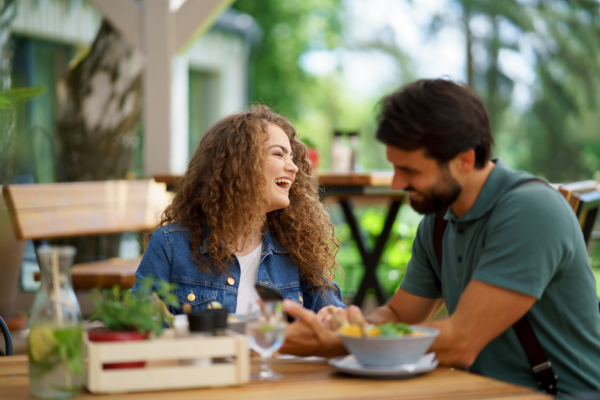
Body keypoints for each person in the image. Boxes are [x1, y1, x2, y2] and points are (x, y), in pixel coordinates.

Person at [281, 78, 600, 394]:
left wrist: (340, 345)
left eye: (411, 171)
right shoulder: (440, 219)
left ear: (465, 159)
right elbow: (399, 314)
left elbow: (461, 342)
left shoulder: (530, 210)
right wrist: (357, 328)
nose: (396, 183)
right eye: (394, 167)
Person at [132, 105, 345, 315]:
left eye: (291, 157)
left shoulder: (296, 248)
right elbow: (140, 325)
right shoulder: (171, 246)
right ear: (239, 164)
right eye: (279, 154)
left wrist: (338, 318)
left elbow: (334, 316)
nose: (294, 167)